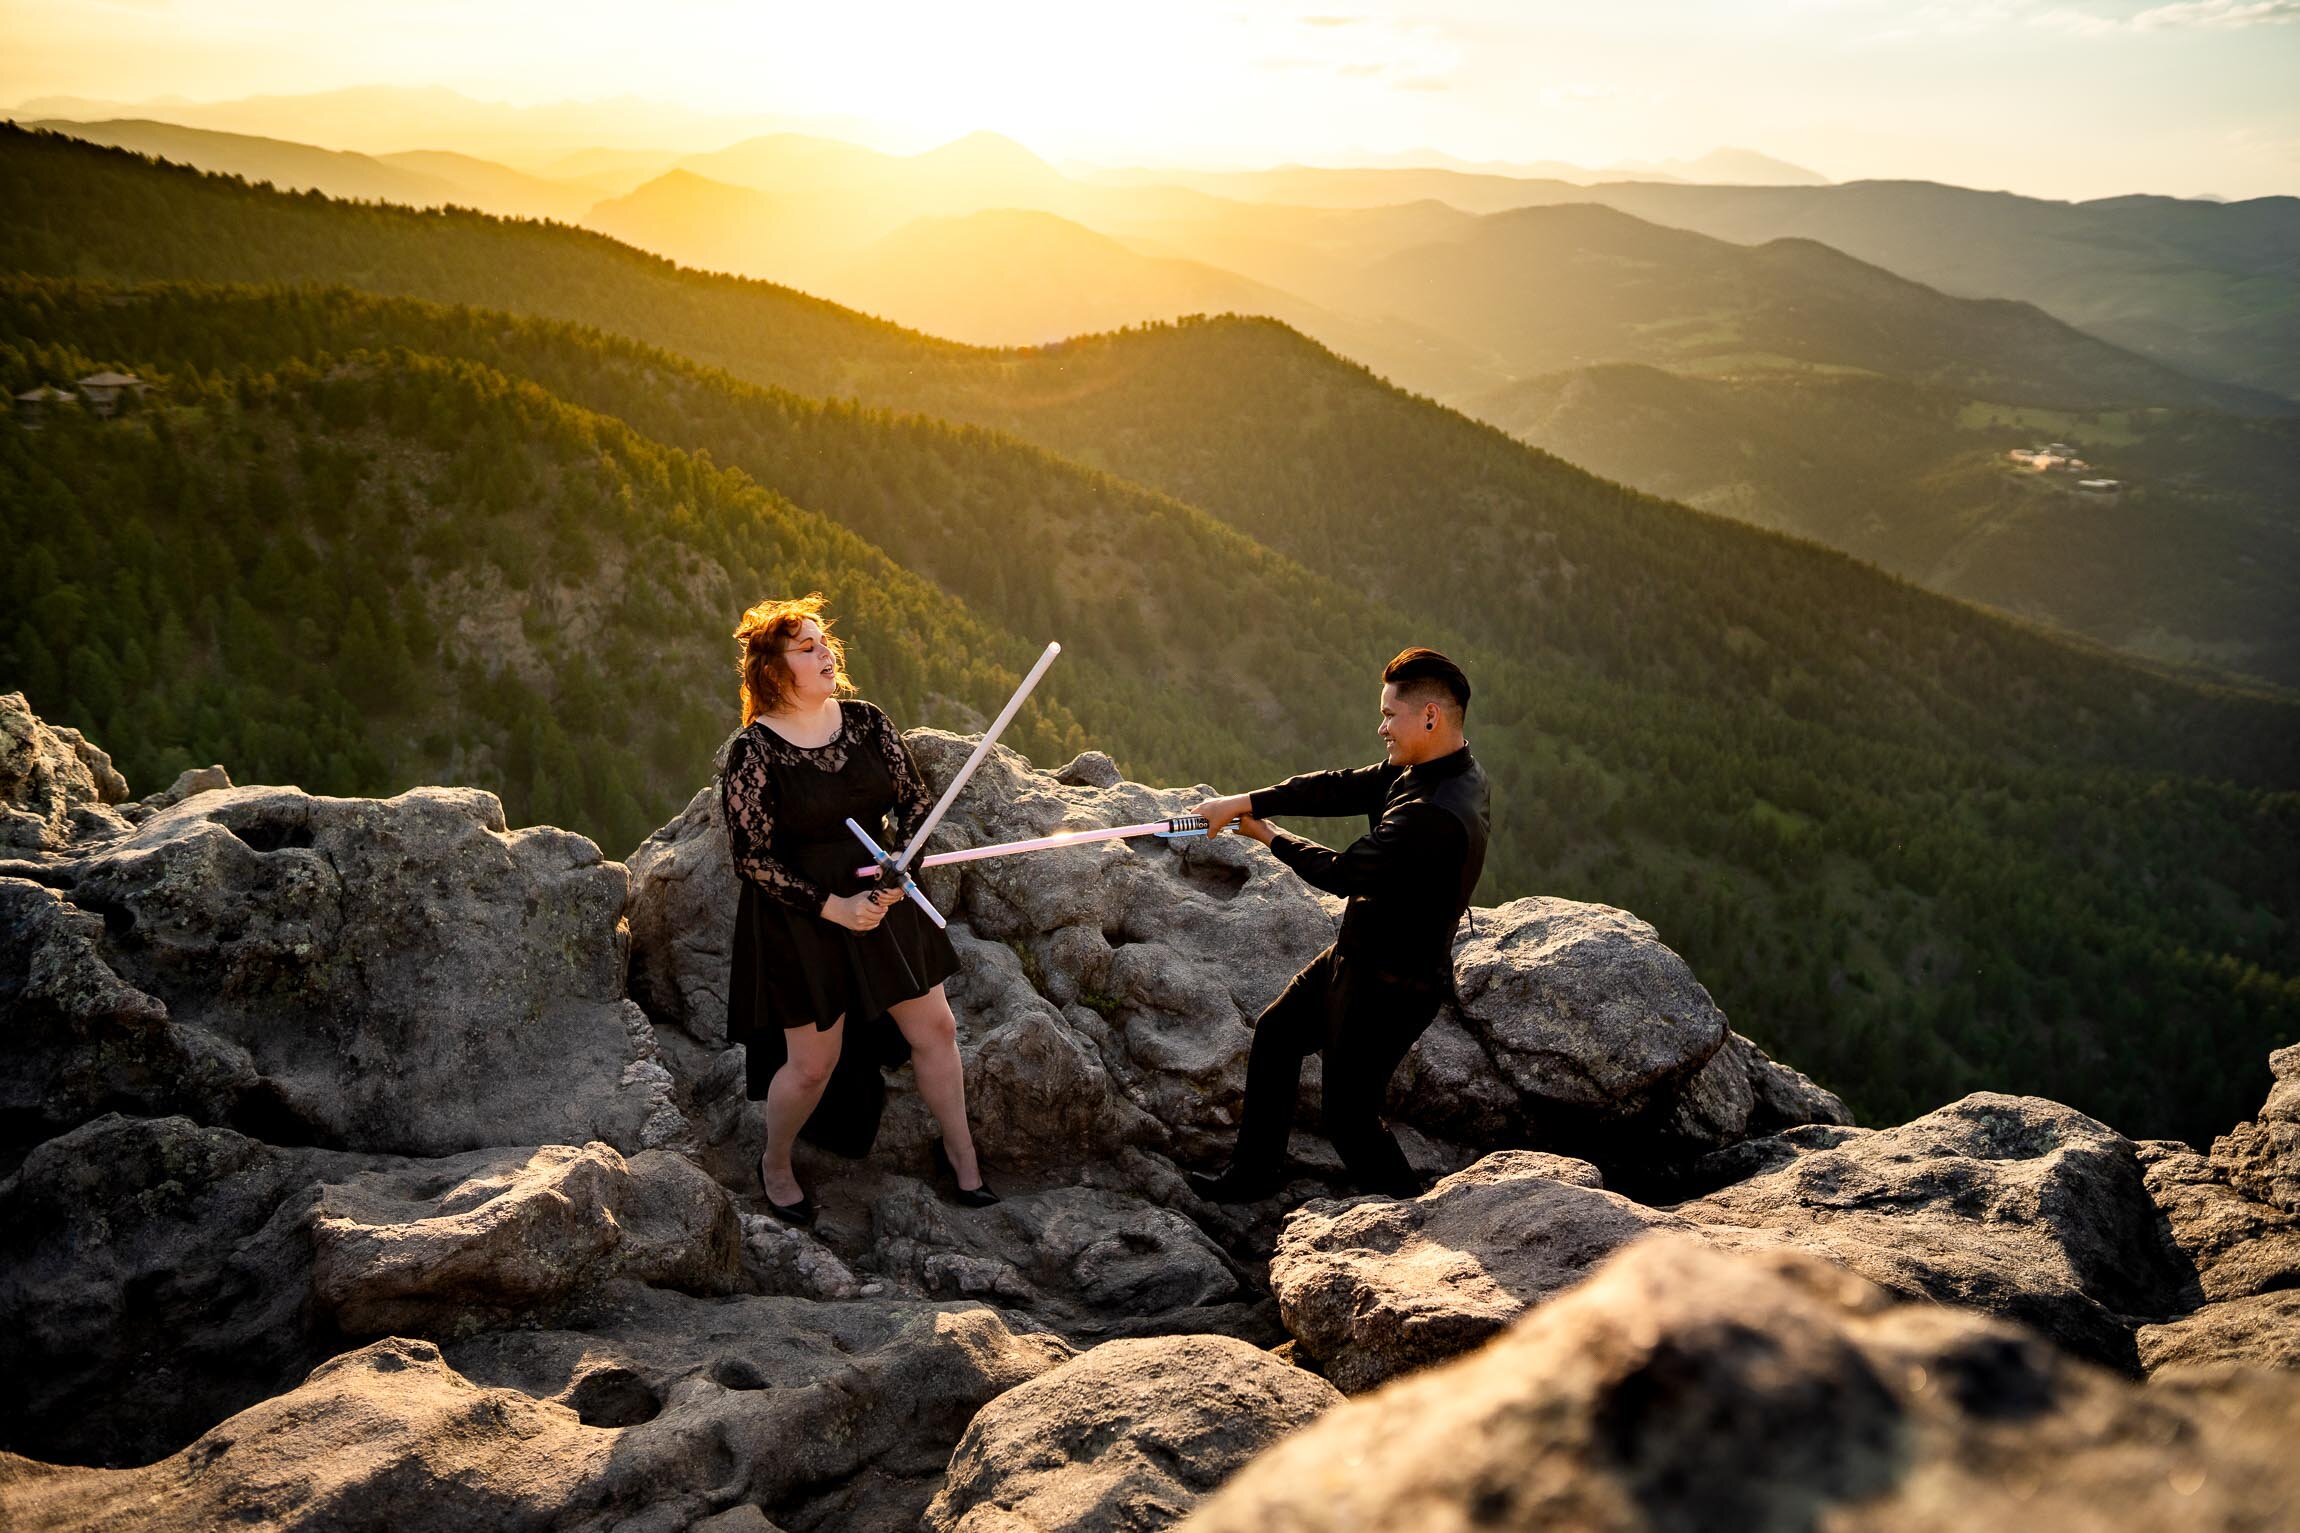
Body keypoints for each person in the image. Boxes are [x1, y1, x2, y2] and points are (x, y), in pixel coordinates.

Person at [717, 593, 996, 1224]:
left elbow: (916, 805)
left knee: (937, 1031)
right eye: (807, 647)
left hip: (882, 891)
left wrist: (902, 869)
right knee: (813, 1066)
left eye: (825, 644)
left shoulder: (867, 721)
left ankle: (962, 1154)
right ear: (771, 669)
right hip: (802, 915)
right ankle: (777, 1161)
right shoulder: (753, 751)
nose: (825, 655)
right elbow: (751, 857)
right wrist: (833, 908)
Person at [1188, 647, 1490, 1202]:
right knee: (1277, 1036)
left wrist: (1266, 835)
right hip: (1357, 957)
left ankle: (1413, 1216)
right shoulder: (1430, 769)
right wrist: (1247, 800)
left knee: (1349, 1118)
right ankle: (1254, 1177)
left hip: (1394, 986)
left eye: (1389, 715)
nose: (1381, 728)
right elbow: (1337, 787)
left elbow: (1344, 872)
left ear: (1430, 716)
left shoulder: (1436, 811)